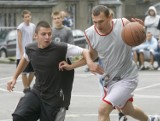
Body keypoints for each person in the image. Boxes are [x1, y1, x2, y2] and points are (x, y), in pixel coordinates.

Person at [59, 5, 160, 121]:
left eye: (101, 21)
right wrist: (72, 66)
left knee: (103, 109)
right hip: (109, 79)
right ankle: (150, 119)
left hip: (127, 77)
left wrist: (141, 30)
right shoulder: (90, 33)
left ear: (110, 17)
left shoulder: (123, 24)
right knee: (127, 109)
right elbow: (92, 55)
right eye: (95, 22)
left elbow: (137, 40)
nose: (98, 25)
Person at [7, 21, 88, 121]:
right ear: (35, 36)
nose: (47, 37)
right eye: (43, 34)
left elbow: (86, 52)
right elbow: (25, 58)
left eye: (49, 34)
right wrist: (14, 77)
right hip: (37, 92)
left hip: (56, 97)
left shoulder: (61, 48)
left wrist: (71, 66)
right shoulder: (31, 48)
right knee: (19, 117)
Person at [51, 10, 75, 110]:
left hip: (66, 60)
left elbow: (71, 46)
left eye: (59, 18)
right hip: (53, 61)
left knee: (67, 84)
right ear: (53, 20)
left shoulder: (68, 31)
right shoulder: (50, 31)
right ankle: (55, 101)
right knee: (54, 84)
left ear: (62, 19)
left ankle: (66, 103)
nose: (57, 20)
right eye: (55, 18)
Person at [16, 9, 36, 93]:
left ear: (30, 16)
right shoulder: (20, 27)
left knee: (32, 71)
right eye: (26, 17)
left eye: (28, 16)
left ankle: (27, 87)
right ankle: (26, 88)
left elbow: (33, 37)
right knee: (24, 72)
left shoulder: (33, 26)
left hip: (31, 51)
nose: (27, 18)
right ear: (23, 18)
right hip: (22, 52)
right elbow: (19, 41)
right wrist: (21, 53)